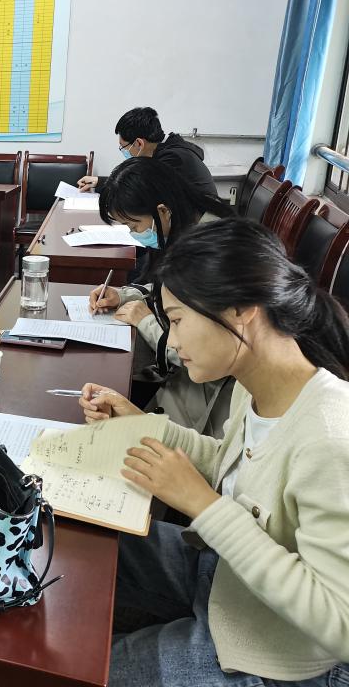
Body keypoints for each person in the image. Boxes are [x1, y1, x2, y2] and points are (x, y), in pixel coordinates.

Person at [78, 219, 349, 686]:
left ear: (241, 310)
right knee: (82, 541)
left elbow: (339, 623)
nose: (173, 340)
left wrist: (204, 506)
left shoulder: (329, 436)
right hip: (228, 578)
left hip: (282, 653)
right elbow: (232, 459)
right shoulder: (256, 384)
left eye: (178, 320)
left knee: (85, 673)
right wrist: (141, 425)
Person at [89, 157, 235, 435]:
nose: (134, 234)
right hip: (182, 381)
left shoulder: (210, 253)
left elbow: (193, 351)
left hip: (203, 397)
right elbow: (165, 286)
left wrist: (145, 321)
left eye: (134, 226)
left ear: (163, 211)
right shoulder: (190, 222)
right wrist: (124, 295)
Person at [79, 106, 216, 197]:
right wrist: (99, 181)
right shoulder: (165, 150)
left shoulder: (173, 159)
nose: (124, 152)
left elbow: (140, 191)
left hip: (202, 229)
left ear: (139, 143)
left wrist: (105, 185)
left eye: (123, 147)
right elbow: (139, 182)